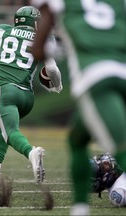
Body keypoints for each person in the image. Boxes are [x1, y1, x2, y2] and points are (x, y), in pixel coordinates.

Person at [31, 0, 126, 215]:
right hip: (123, 72)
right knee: (77, 139)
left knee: (121, 150)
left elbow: (37, 50)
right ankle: (80, 209)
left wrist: (52, 51)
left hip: (96, 78)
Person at [0, 6, 63, 187]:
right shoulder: (43, 38)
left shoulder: (3, 30)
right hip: (27, 97)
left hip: (6, 90)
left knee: (11, 131)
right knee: (6, 129)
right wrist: (58, 86)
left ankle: (32, 152)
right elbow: (52, 69)